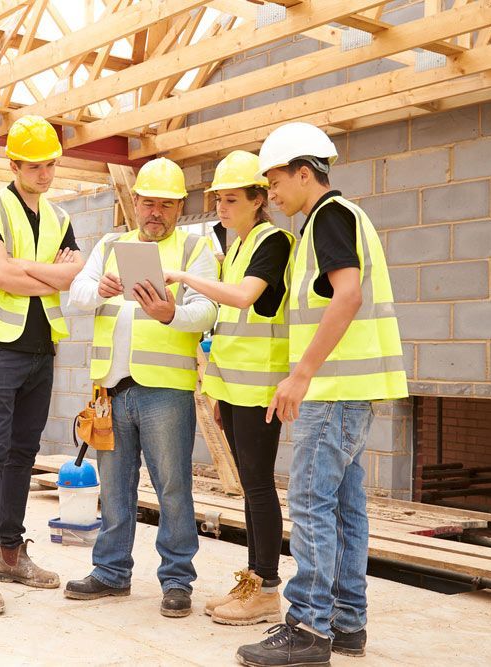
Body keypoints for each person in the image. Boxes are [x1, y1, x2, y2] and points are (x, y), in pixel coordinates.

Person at [235, 123, 408, 666]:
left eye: (277, 180)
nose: (273, 193)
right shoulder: (337, 220)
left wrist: (302, 374)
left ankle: (310, 628)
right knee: (344, 509)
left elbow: (348, 295)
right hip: (350, 390)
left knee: (311, 504)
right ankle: (347, 623)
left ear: (304, 173)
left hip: (332, 391)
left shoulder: (330, 217)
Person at [64, 157, 218, 618]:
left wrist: (173, 313)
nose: (155, 212)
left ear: (179, 207)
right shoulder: (112, 244)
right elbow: (77, 295)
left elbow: (209, 310)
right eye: (148, 203)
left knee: (173, 488)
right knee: (114, 488)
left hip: (165, 390)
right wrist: (102, 289)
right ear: (136, 202)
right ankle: (111, 573)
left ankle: (176, 581)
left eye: (165, 206)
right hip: (111, 388)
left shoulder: (195, 249)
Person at [0, 115, 84, 616]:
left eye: (52, 165)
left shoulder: (59, 216)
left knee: (22, 454)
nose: (46, 175)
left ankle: (11, 551)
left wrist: (26, 270)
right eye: (36, 166)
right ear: (13, 163)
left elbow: (74, 277)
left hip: (40, 348)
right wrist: (47, 273)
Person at [164, 150, 293, 626]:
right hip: (235, 387)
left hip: (261, 387)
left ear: (259, 199)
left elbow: (242, 298)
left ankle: (266, 589)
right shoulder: (235, 245)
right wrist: (216, 391)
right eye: (218, 199)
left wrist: (182, 275)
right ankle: (252, 581)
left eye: (232, 199)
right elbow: (227, 325)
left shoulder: (273, 242)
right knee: (249, 487)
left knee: (259, 487)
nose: (221, 207)